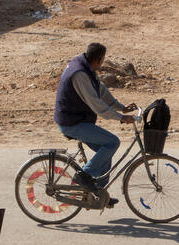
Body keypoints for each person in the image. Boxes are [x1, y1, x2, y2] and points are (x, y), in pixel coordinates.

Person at [54, 42, 137, 192]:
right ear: (98, 60)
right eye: (103, 60)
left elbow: (100, 89)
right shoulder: (80, 74)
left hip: (78, 119)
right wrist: (120, 117)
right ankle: (83, 176)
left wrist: (121, 107)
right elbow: (96, 104)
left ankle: (98, 193)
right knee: (112, 142)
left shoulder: (85, 65)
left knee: (105, 153)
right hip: (71, 123)